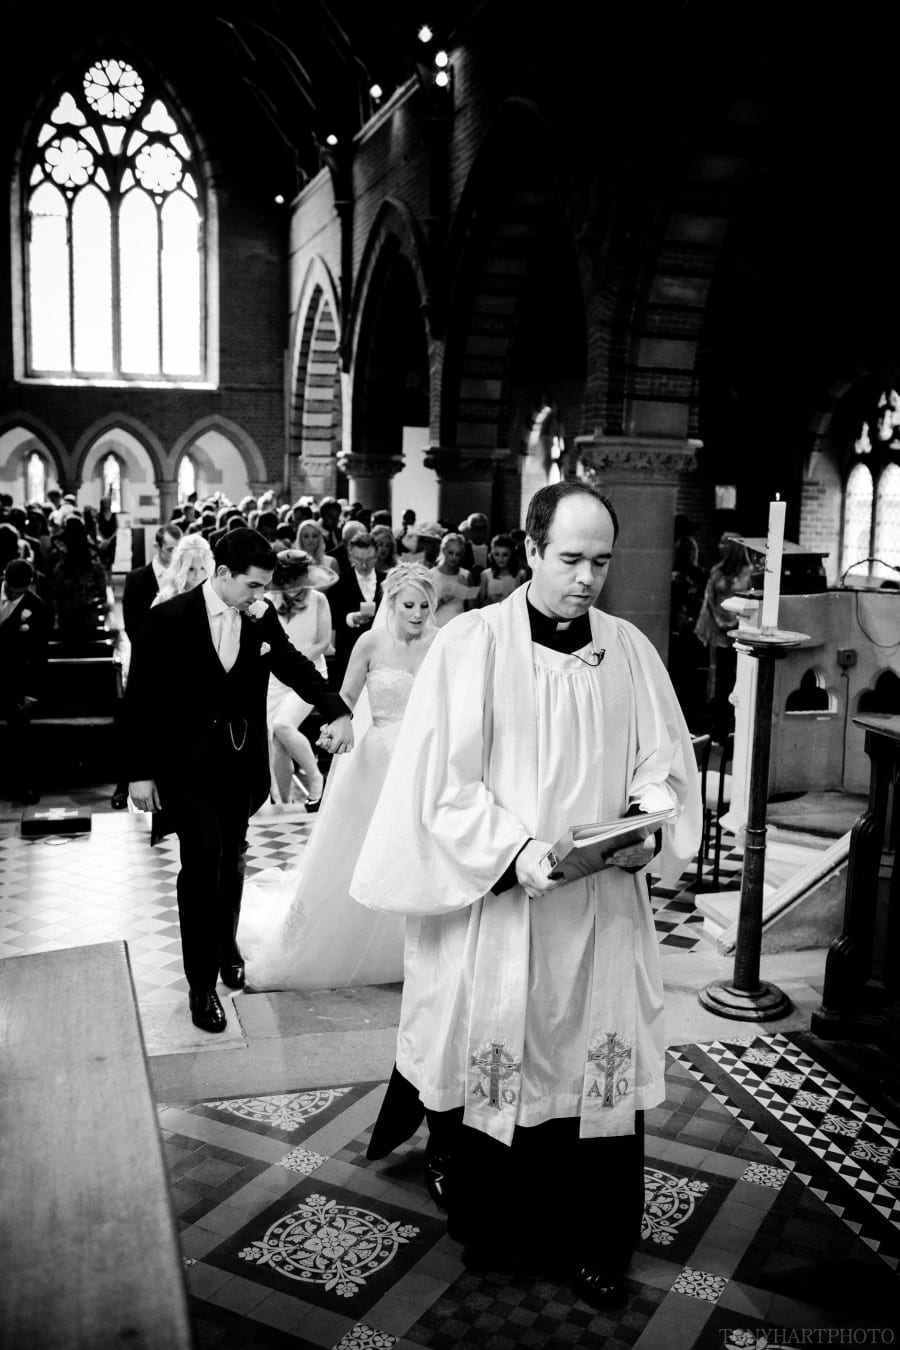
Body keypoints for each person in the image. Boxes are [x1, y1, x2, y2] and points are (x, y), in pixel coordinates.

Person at [351, 482, 701, 1311]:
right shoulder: (472, 645)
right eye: (571, 559)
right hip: (505, 904)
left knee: (592, 1078)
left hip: (602, 912)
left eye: (601, 562)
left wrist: (649, 820)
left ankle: (596, 1242)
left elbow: (664, 763)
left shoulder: (629, 651)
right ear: (533, 551)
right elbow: (442, 784)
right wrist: (521, 852)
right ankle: (502, 1228)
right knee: (504, 1061)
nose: (587, 579)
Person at [123, 527, 354, 1035]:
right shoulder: (168, 620)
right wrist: (138, 773)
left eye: (265, 588)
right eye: (253, 586)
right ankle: (201, 985)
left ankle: (227, 946)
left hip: (238, 764)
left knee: (231, 858)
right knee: (202, 860)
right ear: (221, 574)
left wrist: (338, 710)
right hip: (184, 767)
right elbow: (140, 699)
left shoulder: (260, 615)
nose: (261, 597)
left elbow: (293, 665)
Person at [238, 562, 438, 990]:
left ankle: (420, 946)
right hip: (378, 758)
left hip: (424, 759)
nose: (418, 613)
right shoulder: (370, 643)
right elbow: (346, 695)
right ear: (392, 603)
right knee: (360, 846)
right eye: (409, 605)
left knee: (419, 847)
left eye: (425, 605)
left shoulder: (441, 644)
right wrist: (338, 721)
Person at [265, 549, 336, 806]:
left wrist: (297, 665)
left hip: (308, 675)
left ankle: (316, 777)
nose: (293, 588)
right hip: (275, 678)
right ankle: (283, 802)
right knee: (277, 741)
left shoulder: (318, 600)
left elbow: (323, 641)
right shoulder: (270, 601)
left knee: (284, 725)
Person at [693, 533, 753, 742]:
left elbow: (750, 601)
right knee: (719, 681)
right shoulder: (717, 571)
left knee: (736, 680)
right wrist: (719, 622)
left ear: (734, 548)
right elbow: (709, 598)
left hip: (739, 630)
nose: (719, 546)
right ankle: (717, 729)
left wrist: (734, 623)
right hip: (718, 631)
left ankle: (733, 728)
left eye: (723, 543)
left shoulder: (749, 573)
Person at [0, 559, 51, 804]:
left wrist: (33, 692)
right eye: (9, 587)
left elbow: (40, 654)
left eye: (18, 590)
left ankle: (24, 786)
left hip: (14, 683)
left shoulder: (37, 608)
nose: (11, 593)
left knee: (20, 736)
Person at [326, 530, 386, 684]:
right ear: (350, 556)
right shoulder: (338, 584)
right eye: (359, 560)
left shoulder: (387, 582)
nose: (364, 565)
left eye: (370, 559)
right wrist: (351, 618)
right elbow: (332, 618)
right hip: (349, 656)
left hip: (382, 656)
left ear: (377, 555)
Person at [51, 514, 111, 639]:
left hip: (86, 619)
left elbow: (102, 595)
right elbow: (55, 594)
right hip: (67, 619)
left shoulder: (94, 568)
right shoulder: (61, 568)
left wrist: (86, 603)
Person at [429, 531, 478, 627]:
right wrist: (441, 601)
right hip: (436, 628)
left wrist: (467, 591)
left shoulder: (466, 575)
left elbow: (475, 610)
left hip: (458, 627)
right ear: (443, 550)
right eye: (450, 553)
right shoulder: (431, 575)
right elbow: (424, 610)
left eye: (458, 554)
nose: (454, 557)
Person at [152, 534, 214, 606]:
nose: (198, 575)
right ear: (180, 568)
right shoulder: (165, 599)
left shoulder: (215, 599)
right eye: (191, 569)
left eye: (202, 568)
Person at [476, 532, 526, 606]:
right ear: (492, 554)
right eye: (496, 554)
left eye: (505, 555)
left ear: (511, 554)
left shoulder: (521, 575)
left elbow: (522, 604)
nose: (500, 559)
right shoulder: (485, 575)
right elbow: (480, 604)